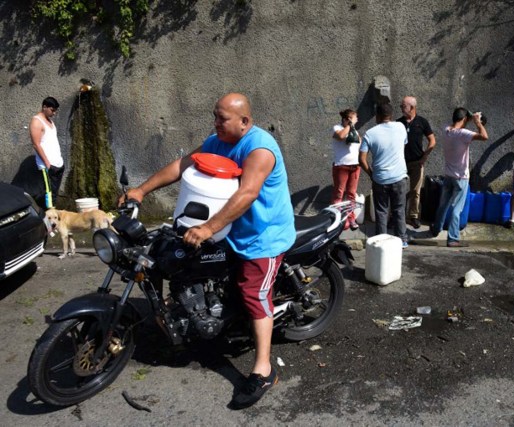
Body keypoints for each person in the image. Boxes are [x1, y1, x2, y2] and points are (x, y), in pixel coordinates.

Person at [121, 93, 295, 410]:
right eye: (215, 116)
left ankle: (264, 369)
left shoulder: (259, 149)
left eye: (222, 118)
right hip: (229, 227)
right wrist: (141, 189)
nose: (215, 123)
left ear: (244, 122)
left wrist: (208, 228)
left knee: (253, 291)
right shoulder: (217, 140)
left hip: (262, 235)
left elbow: (247, 193)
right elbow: (183, 164)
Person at [429, 108, 488, 247]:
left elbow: (456, 125)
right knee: (457, 209)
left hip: (448, 176)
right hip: (461, 178)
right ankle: (453, 238)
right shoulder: (463, 134)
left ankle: (436, 228)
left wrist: (467, 118)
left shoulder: (446, 130)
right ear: (464, 120)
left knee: (443, 205)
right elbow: (485, 136)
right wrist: (478, 123)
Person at [358, 103, 409, 247]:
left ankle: (381, 241)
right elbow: (402, 145)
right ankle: (403, 240)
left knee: (381, 211)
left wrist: (371, 174)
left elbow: (361, 159)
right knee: (399, 209)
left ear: (377, 116)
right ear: (391, 115)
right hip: (399, 177)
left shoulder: (370, 133)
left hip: (380, 179)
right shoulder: (401, 127)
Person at [397, 96, 436, 229]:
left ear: (412, 108)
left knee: (415, 191)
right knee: (397, 191)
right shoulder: (398, 123)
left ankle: (413, 217)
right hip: (400, 162)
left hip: (417, 162)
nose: (401, 108)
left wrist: (424, 157)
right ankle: (395, 216)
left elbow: (432, 141)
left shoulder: (422, 122)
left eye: (403, 106)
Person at [30, 97, 64, 209]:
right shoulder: (36, 122)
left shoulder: (49, 121)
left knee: (54, 193)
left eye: (55, 110)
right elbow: (36, 144)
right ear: (44, 107)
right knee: (49, 194)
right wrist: (47, 163)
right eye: (52, 110)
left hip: (58, 163)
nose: (54, 113)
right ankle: (49, 221)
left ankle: (52, 219)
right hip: (47, 166)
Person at [331, 109, 361, 230]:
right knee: (339, 194)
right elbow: (341, 136)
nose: (356, 120)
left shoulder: (354, 130)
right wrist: (350, 125)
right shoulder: (337, 127)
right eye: (354, 118)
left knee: (351, 194)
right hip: (341, 166)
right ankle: (337, 219)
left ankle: (351, 217)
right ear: (346, 120)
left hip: (355, 166)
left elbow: (359, 142)